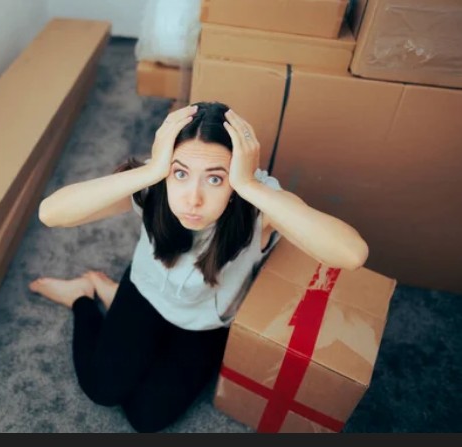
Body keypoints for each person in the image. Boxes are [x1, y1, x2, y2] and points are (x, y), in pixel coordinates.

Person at [29, 101, 369, 432]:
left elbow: (351, 254)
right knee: (101, 389)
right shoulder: (155, 181)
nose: (193, 199)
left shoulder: (257, 202)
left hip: (205, 322)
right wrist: (151, 171)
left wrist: (249, 186)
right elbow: (51, 213)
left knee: (146, 419)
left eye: (215, 179)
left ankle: (110, 293)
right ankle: (83, 295)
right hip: (145, 292)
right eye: (181, 173)